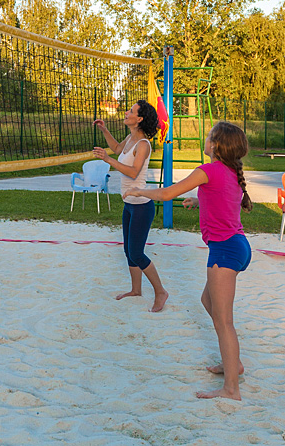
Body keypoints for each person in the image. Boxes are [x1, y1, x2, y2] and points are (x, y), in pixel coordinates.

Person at [128, 121, 253, 400]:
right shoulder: (231, 172)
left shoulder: (208, 170)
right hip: (237, 247)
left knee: (224, 322)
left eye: (209, 137)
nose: (205, 139)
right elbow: (223, 199)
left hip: (225, 251)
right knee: (208, 303)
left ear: (214, 146)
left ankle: (231, 388)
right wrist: (200, 202)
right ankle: (232, 362)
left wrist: (140, 192)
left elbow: (165, 193)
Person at [91, 100, 169, 313]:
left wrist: (107, 159)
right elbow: (117, 149)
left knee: (137, 253)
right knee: (128, 251)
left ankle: (160, 291)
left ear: (140, 118)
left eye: (131, 111)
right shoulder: (130, 138)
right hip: (129, 204)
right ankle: (136, 290)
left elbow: (133, 172)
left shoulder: (143, 144)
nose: (126, 113)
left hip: (142, 206)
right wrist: (104, 130)